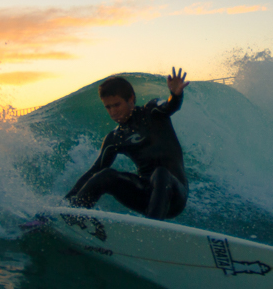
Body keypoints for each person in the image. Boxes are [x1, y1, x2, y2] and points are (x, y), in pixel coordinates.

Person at [65, 68, 190, 221]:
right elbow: (94, 171)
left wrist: (176, 95)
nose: (112, 112)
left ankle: (152, 229)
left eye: (116, 105)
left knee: (160, 172)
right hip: (146, 197)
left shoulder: (151, 112)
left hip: (175, 195)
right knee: (105, 175)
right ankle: (73, 216)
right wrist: (65, 202)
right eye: (108, 107)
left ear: (131, 99)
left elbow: (170, 107)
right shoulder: (115, 137)